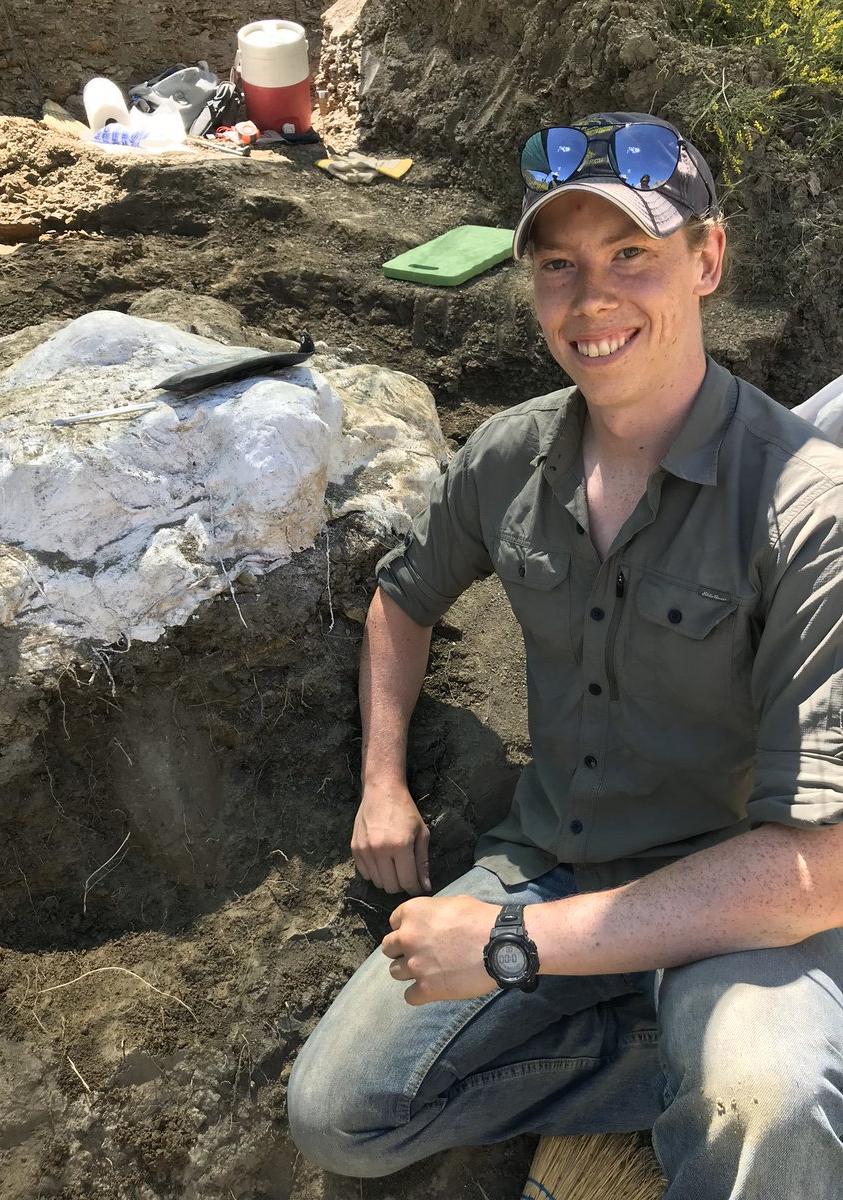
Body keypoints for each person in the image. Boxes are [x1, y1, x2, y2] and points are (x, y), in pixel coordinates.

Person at [287, 112, 843, 1197]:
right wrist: (383, 783)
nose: (592, 300)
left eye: (631, 254)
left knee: (766, 1098)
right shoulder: (510, 454)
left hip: (733, 900)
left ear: (708, 260)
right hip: (555, 854)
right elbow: (401, 602)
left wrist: (516, 946)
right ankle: (674, 1068)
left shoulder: (807, 509)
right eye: (558, 265)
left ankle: (746, 1076)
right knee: (339, 1116)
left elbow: (818, 869)